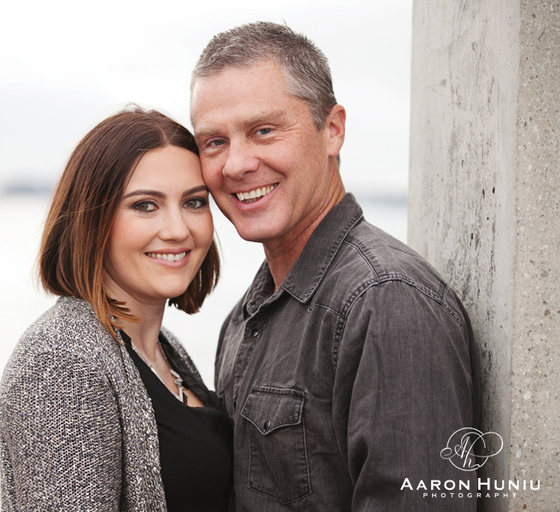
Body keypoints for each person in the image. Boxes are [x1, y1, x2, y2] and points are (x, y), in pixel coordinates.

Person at [190, 22, 478, 511]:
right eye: (214, 142)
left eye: (263, 130)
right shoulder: (245, 317)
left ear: (333, 130)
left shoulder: (387, 300)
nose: (236, 164)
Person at [0, 108, 233, 511]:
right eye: (145, 206)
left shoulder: (162, 348)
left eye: (194, 202)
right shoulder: (61, 361)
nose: (178, 229)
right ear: (93, 220)